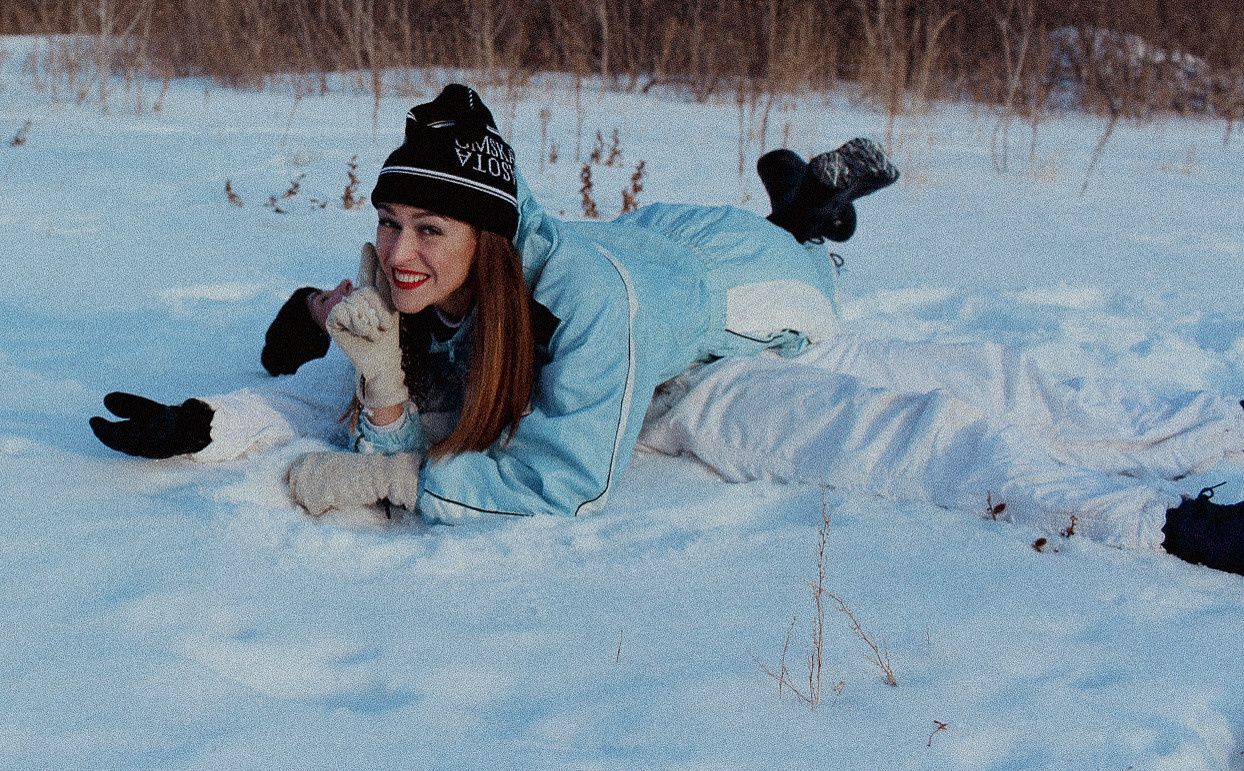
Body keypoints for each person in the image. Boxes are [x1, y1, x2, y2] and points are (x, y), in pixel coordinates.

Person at [90, 84, 1244, 573]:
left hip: (732, 324)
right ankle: (800, 205)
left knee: (921, 412)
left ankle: (1171, 509)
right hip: (660, 250)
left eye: (425, 229)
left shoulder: (584, 302)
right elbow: (361, 387)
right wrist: (212, 420)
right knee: (945, 380)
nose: (396, 252)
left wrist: (398, 485)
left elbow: (563, 483)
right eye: (387, 220)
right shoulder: (428, 279)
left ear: (482, 240)